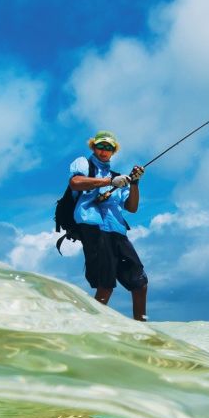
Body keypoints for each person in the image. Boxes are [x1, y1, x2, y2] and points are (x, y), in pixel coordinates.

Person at [68, 130, 149, 321]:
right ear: (93, 147)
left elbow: (132, 207)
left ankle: (143, 328)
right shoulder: (83, 164)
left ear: (113, 151)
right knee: (105, 283)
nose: (104, 151)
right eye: (100, 146)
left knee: (140, 282)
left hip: (117, 231)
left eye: (109, 148)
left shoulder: (119, 177)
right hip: (93, 228)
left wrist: (134, 183)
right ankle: (92, 326)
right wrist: (109, 181)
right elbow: (75, 183)